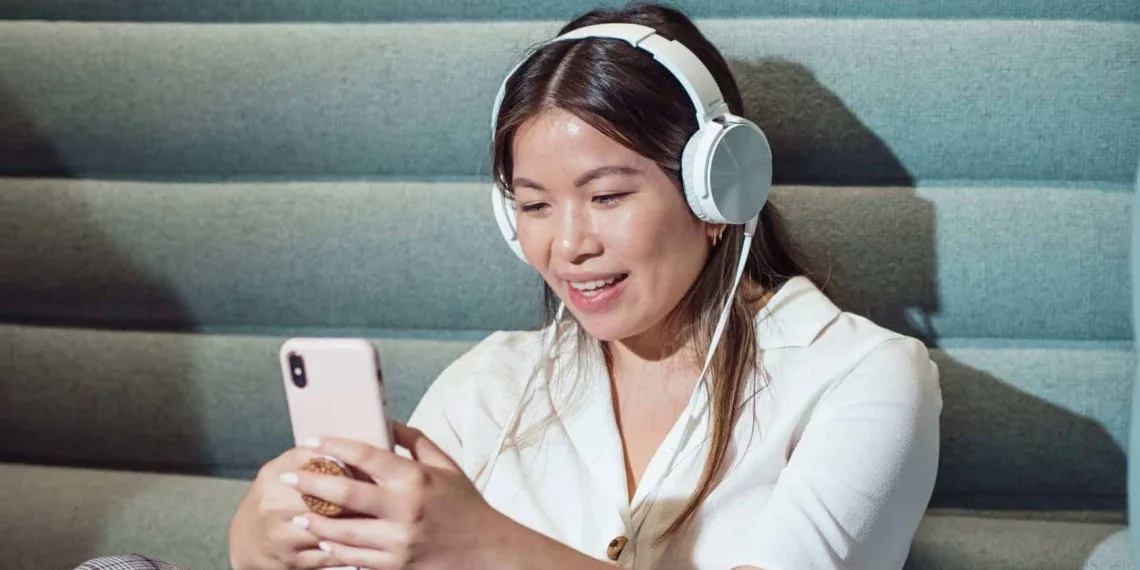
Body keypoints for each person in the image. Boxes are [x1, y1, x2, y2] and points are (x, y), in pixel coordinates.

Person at [227, 3, 942, 570]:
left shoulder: (863, 378)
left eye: (606, 197)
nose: (568, 246)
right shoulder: (491, 384)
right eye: (535, 205)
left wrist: (481, 546)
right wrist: (261, 550)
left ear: (717, 195)